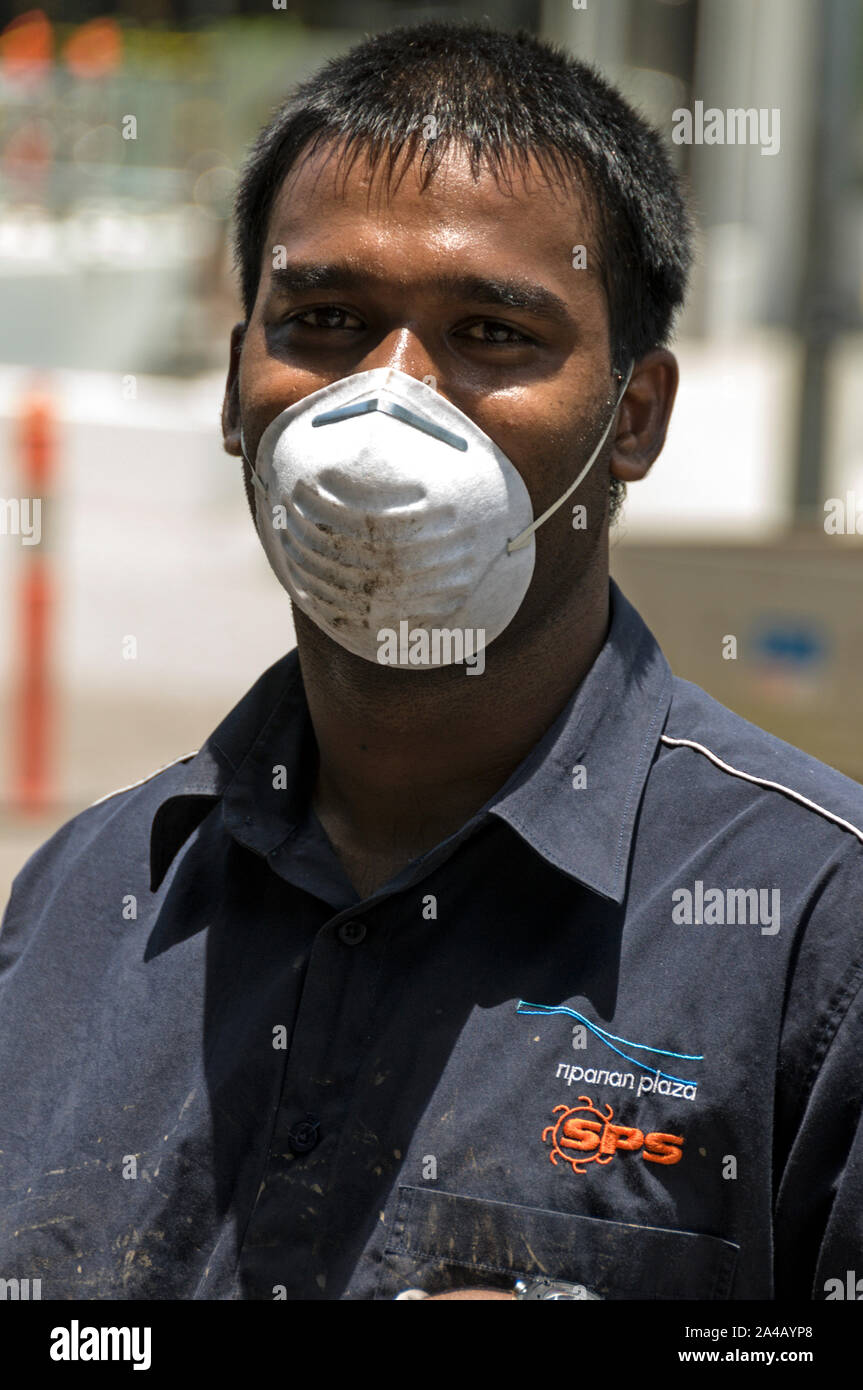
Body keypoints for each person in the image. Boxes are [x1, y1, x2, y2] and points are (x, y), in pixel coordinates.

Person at [1, 21, 860, 1304]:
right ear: (238, 386)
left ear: (633, 419)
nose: (388, 408)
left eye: (491, 334)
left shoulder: (813, 929)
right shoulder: (85, 901)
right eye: (326, 319)